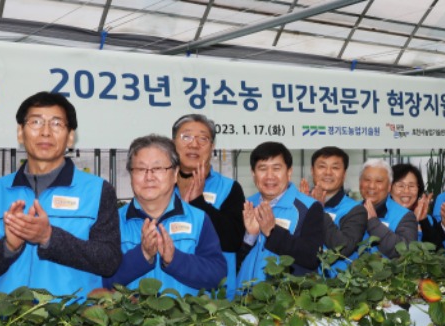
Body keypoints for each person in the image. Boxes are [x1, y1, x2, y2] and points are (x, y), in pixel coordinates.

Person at [0, 91, 121, 299]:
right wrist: (8, 247)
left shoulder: (98, 191)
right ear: (20, 132)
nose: (46, 132)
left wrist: (49, 237)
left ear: (70, 137)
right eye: (36, 122)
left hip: (71, 324)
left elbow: (108, 261)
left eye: (57, 124)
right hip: (5, 325)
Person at [104, 135, 227, 295]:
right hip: (129, 319)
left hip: (189, 318)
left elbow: (218, 276)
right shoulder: (112, 222)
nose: (149, 177)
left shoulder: (198, 219)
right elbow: (101, 280)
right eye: (140, 169)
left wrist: (175, 259)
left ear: (175, 173)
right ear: (131, 175)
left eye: (158, 168)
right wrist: (142, 255)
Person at [171, 114, 245, 298]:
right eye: (186, 137)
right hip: (168, 290)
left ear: (212, 147)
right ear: (173, 143)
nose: (194, 144)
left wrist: (199, 203)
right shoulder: (158, 185)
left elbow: (233, 240)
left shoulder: (229, 188)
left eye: (203, 138)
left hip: (215, 295)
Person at [237, 142, 324, 290]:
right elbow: (233, 260)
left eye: (276, 169)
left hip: (285, 304)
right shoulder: (246, 206)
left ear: (289, 172)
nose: (269, 176)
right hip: (244, 301)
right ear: (253, 174)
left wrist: (272, 231)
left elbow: (312, 257)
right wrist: (250, 237)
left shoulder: (308, 207)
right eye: (262, 169)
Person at [299, 147, 367, 277]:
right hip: (301, 284)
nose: (328, 173)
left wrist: (316, 210)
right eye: (322, 167)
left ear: (344, 174)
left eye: (335, 168)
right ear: (312, 171)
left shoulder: (355, 210)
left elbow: (343, 248)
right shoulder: (298, 204)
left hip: (338, 287)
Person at [360, 159, 417, 258]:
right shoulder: (350, 210)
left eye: (379, 181)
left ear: (389, 187)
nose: (372, 186)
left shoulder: (405, 216)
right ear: (360, 183)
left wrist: (373, 223)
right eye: (367, 180)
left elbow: (405, 252)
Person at [389, 163, 436, 242]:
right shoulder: (380, 218)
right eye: (400, 186)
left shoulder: (428, 220)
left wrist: (423, 222)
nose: (406, 191)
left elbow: (437, 251)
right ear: (389, 188)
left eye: (411, 186)